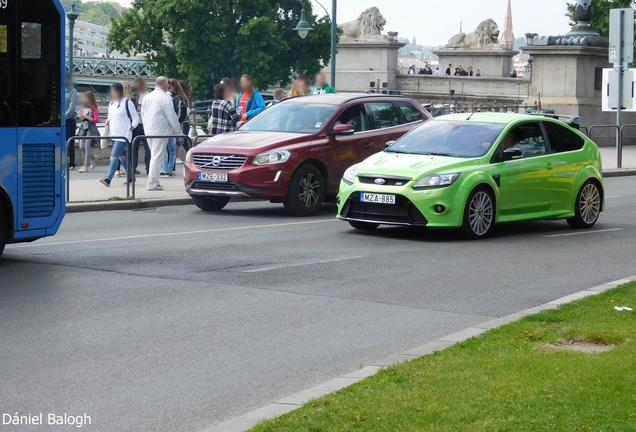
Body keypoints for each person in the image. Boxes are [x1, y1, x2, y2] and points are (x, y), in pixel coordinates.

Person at [141, 76, 182, 191]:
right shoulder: (165, 97)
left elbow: (143, 114)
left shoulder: (147, 97)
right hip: (160, 132)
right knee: (157, 157)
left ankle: (155, 181)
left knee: (154, 157)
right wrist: (178, 132)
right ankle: (152, 184)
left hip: (149, 130)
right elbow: (172, 116)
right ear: (165, 85)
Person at [99, 83, 139, 187]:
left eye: (113, 91)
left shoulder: (127, 102)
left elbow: (136, 118)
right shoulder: (112, 103)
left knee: (114, 156)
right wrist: (108, 121)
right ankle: (131, 177)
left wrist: (132, 126)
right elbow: (110, 116)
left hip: (124, 134)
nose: (111, 93)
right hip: (113, 133)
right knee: (122, 156)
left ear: (118, 91)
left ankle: (108, 179)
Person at [160, 78, 188, 177]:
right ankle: (170, 168)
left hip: (166, 126)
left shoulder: (166, 98)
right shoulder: (179, 97)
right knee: (172, 148)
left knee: (165, 148)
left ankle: (165, 168)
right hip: (175, 125)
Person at [76, 91, 100, 173]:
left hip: (90, 127)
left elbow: (96, 120)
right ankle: (93, 158)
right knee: (81, 146)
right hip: (83, 126)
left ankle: (85, 166)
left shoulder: (94, 108)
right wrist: (80, 116)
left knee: (87, 146)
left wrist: (86, 116)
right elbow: (82, 117)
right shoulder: (83, 106)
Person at [132, 77, 151, 174]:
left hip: (146, 124)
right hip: (137, 124)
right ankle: (133, 168)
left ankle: (148, 168)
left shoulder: (148, 95)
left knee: (148, 148)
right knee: (134, 147)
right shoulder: (134, 96)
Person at [65, 74, 78, 170]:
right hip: (61, 119)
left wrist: (63, 116)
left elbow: (72, 107)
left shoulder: (73, 91)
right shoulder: (60, 90)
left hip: (69, 120)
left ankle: (72, 163)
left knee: (70, 142)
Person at [177, 79, 193, 156]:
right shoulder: (186, 97)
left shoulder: (183, 98)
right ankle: (190, 154)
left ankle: (190, 154)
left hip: (184, 122)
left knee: (181, 141)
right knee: (183, 140)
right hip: (185, 122)